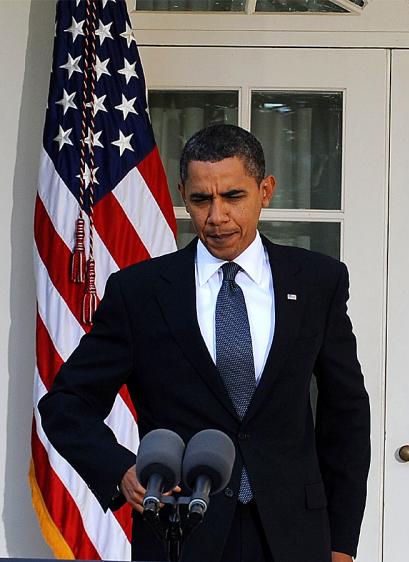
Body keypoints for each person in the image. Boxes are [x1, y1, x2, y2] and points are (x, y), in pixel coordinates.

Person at [39, 124, 371, 562]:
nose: (217, 217)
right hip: (180, 534)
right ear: (182, 194)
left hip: (296, 535)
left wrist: (342, 543)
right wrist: (120, 470)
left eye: (233, 196)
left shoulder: (316, 281)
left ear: (265, 190)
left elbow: (345, 414)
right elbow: (65, 403)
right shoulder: (139, 292)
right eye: (200, 199)